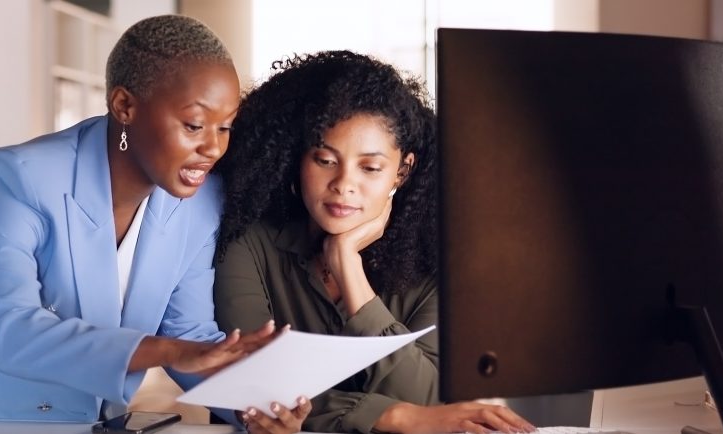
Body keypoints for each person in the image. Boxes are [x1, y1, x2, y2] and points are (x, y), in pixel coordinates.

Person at [0, 15, 303, 430]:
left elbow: (185, 331)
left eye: (225, 127)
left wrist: (254, 409)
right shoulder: (21, 177)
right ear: (125, 106)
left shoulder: (201, 201)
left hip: (78, 417)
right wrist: (167, 351)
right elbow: (9, 327)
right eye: (194, 125)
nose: (212, 147)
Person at [212, 51, 537, 434]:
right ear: (297, 160)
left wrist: (349, 268)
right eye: (324, 160)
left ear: (402, 171)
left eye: (370, 167)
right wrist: (395, 416)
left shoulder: (436, 262)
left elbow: (430, 395)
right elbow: (249, 383)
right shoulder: (248, 241)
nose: (343, 184)